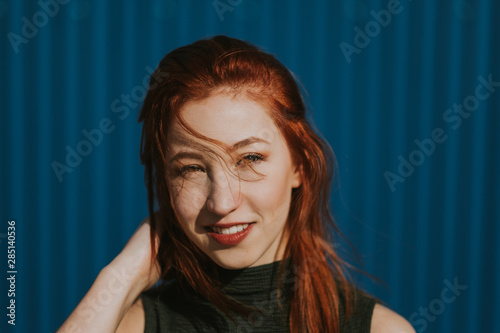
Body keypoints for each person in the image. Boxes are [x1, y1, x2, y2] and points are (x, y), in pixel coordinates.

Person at [58, 35, 415, 333]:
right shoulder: (130, 324)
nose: (222, 202)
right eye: (191, 169)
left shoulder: (377, 329)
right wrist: (122, 275)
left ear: (299, 167)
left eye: (250, 159)